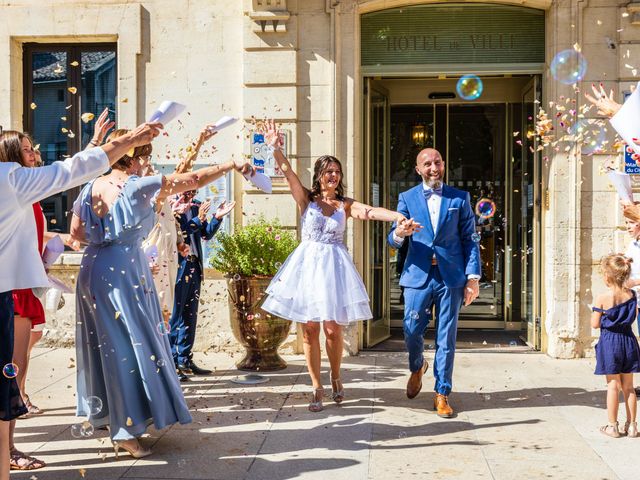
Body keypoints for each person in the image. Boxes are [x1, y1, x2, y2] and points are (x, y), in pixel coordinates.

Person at [70, 129, 253, 458]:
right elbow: (194, 178)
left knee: (107, 345)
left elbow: (76, 233)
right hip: (123, 271)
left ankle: (116, 417)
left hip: (92, 268)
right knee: (127, 346)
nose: (147, 164)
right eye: (146, 157)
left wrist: (106, 241)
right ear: (136, 158)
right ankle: (125, 430)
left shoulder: (90, 187)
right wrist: (231, 164)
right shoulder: (137, 185)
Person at [0, 122, 160, 480]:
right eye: (25, 149)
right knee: (8, 374)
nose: (33, 153)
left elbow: (64, 174)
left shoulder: (18, 185)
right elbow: (69, 171)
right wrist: (129, 140)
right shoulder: (10, 180)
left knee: (13, 370)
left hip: (13, 287)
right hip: (7, 290)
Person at [260, 119, 417, 412]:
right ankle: (316, 387)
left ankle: (335, 377)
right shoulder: (306, 199)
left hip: (333, 268)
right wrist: (275, 147)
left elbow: (369, 212)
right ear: (319, 175)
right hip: (307, 268)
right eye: (328, 171)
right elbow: (288, 173)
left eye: (337, 171)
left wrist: (396, 216)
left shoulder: (345, 204)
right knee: (309, 329)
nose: (334, 175)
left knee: (332, 330)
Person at [387, 148, 481, 418]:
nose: (433, 168)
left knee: (446, 338)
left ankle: (442, 393)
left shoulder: (460, 198)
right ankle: (417, 366)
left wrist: (472, 278)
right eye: (427, 164)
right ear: (418, 169)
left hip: (451, 277)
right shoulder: (406, 198)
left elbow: (470, 239)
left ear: (443, 164)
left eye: (437, 162)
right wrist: (400, 234)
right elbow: (392, 238)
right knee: (411, 330)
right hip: (417, 275)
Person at [170, 191, 234, 381]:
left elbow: (205, 233)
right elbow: (179, 233)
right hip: (179, 267)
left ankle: (185, 359)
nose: (192, 193)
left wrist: (217, 217)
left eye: (195, 189)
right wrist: (198, 219)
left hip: (195, 266)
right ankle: (173, 363)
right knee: (175, 316)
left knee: (190, 315)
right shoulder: (170, 206)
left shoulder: (196, 205)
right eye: (188, 188)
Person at [591, 253, 640, 437]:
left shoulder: (603, 297)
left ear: (608, 276)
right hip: (628, 340)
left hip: (610, 342)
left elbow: (595, 324)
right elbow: (632, 315)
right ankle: (633, 425)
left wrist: (606, 317)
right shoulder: (632, 295)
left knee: (613, 386)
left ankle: (613, 426)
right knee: (629, 386)